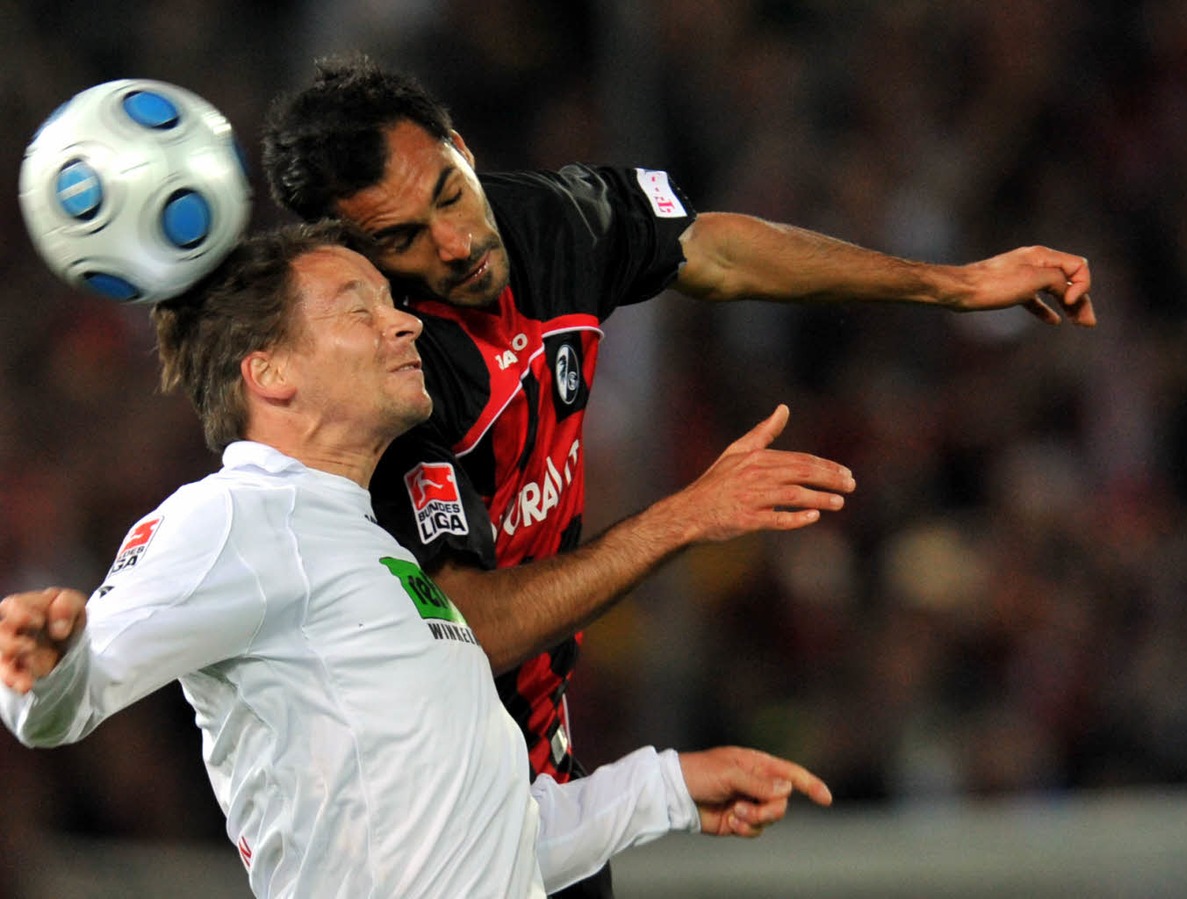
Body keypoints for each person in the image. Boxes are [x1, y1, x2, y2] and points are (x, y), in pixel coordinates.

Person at [261, 56, 1094, 898]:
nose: (454, 241)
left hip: (529, 774)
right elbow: (471, 627)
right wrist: (685, 516)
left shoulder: (545, 220)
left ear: (462, 149)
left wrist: (952, 285)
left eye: (448, 191)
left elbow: (711, 248)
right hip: (407, 817)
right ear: (350, 258)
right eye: (400, 238)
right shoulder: (381, 387)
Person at [0, 221, 835, 899]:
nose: (404, 322)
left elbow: (489, 843)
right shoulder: (235, 516)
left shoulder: (377, 553)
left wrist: (670, 788)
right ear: (272, 372)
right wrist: (41, 666)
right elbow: (64, 702)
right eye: (358, 309)